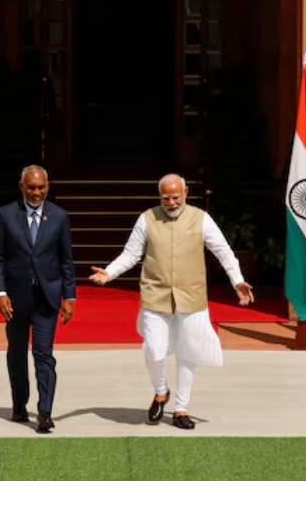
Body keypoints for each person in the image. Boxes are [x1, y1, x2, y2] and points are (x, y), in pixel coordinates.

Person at [89, 174, 254, 429]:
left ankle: (180, 408)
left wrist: (237, 281)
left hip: (191, 295)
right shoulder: (147, 218)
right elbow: (131, 254)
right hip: (155, 294)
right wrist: (109, 273)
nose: (171, 202)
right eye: (165, 198)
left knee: (188, 352)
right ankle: (161, 391)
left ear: (186, 193)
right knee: (154, 349)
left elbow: (223, 251)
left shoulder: (201, 219)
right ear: (159, 197)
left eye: (176, 197)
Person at [0, 165, 76, 433]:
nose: (36, 193)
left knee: (43, 355)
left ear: (47, 187)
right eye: (31, 188)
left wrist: (69, 296)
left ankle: (45, 413)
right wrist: (0, 292)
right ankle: (19, 404)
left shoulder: (59, 217)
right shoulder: (6, 215)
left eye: (41, 188)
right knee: (16, 353)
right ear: (21, 186)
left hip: (46, 299)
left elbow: (66, 260)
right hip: (15, 300)